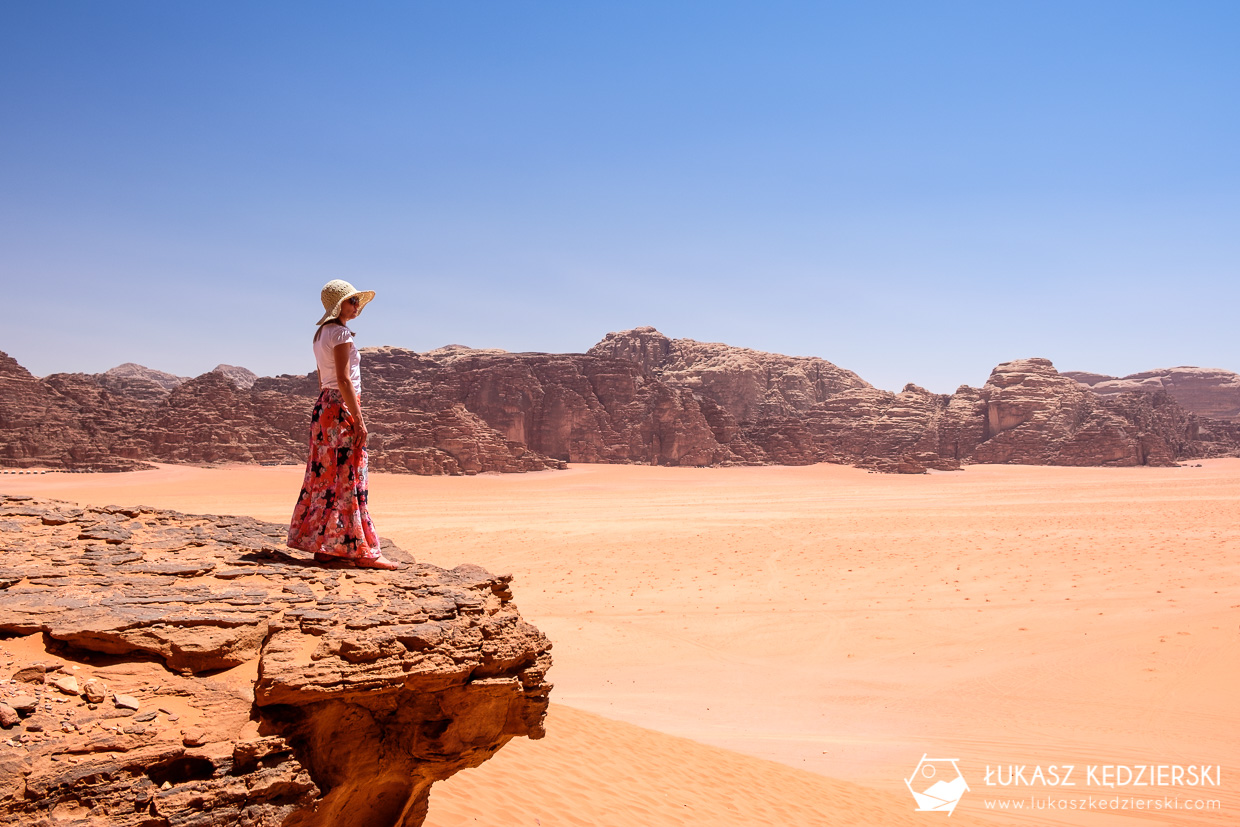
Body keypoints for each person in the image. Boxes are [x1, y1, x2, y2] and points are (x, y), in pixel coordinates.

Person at [287, 279, 401, 570]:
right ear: (340, 306)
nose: (357, 305)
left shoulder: (320, 334)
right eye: (352, 301)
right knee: (350, 476)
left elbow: (322, 377)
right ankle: (362, 551)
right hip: (341, 407)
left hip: (325, 407)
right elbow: (344, 379)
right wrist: (358, 419)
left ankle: (326, 547)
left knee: (326, 477)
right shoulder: (340, 333)